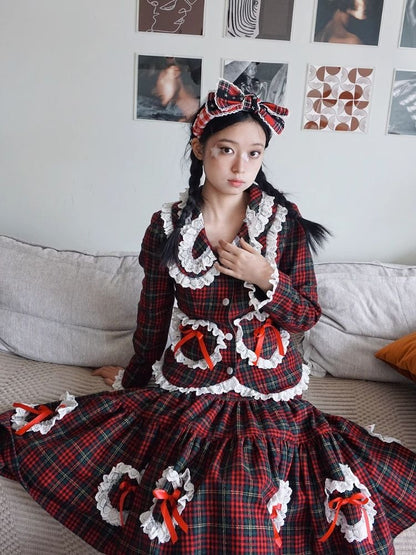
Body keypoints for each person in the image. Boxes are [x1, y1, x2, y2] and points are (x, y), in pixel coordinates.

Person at [1, 79, 416, 554]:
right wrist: (132, 382)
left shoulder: (282, 225)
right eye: (226, 150)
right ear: (199, 148)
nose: (241, 167)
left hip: (269, 392)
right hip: (190, 385)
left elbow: (305, 316)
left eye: (254, 153)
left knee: (242, 487)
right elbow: (153, 318)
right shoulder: (167, 226)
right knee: (180, 490)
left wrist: (266, 278)